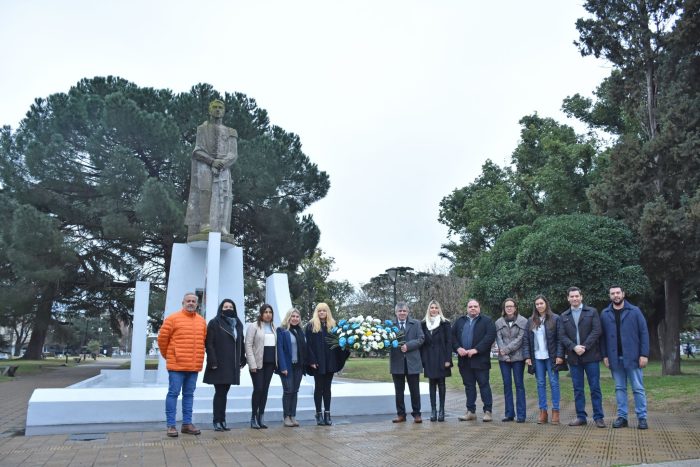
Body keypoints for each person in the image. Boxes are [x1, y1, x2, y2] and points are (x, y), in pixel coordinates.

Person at [185, 99, 239, 238]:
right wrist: (212, 161)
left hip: (223, 166)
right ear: (209, 110)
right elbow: (197, 151)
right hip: (205, 163)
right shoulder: (202, 129)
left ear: (224, 111)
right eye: (214, 107)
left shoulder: (231, 131)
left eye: (220, 107)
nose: (217, 109)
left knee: (225, 196)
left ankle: (222, 226)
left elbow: (233, 154)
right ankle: (204, 224)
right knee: (205, 191)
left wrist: (221, 164)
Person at [157, 292, 207, 437]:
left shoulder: (201, 321)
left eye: (193, 301)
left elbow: (204, 341)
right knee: (173, 393)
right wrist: (169, 356)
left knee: (189, 395)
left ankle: (187, 424)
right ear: (183, 303)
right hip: (176, 366)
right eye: (188, 301)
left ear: (197, 304)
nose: (191, 303)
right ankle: (171, 425)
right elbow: (162, 340)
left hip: (193, 366)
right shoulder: (172, 319)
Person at [600, 285, 650, 430]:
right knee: (619, 388)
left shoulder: (635, 311)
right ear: (609, 296)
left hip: (633, 357)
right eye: (612, 293)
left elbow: (644, 333)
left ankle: (642, 418)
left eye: (618, 293)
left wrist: (644, 354)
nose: (615, 295)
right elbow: (602, 338)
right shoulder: (605, 313)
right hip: (614, 358)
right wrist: (605, 355)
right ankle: (622, 417)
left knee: (638, 388)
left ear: (623, 294)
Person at [558, 286, 605, 428]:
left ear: (581, 297)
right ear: (568, 298)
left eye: (576, 296)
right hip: (574, 357)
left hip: (591, 356)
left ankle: (598, 417)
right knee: (578, 389)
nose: (574, 298)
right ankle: (581, 417)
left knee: (595, 387)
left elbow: (597, 330)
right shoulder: (563, 316)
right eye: (571, 296)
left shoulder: (592, 312)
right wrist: (574, 347)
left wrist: (584, 346)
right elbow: (562, 335)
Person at [203, 299, 246, 432]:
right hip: (219, 364)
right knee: (220, 393)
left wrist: (242, 357)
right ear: (221, 309)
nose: (228, 309)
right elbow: (209, 344)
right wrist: (212, 361)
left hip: (232, 364)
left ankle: (222, 420)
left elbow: (241, 341)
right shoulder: (214, 323)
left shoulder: (238, 323)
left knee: (224, 393)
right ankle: (217, 420)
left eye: (231, 307)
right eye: (225, 306)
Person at [452, 299, 496, 422]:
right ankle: (471, 412)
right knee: (469, 386)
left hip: (480, 360)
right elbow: (452, 336)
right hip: (464, 361)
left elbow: (490, 337)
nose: (473, 308)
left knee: (484, 385)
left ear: (479, 308)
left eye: (475, 306)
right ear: (467, 308)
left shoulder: (487, 321)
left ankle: (488, 411)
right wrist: (457, 348)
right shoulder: (460, 321)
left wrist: (476, 350)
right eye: (470, 306)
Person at [305, 302, 349, 426]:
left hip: (330, 361)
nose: (321, 312)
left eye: (324, 310)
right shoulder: (311, 326)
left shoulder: (334, 325)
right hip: (317, 362)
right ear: (317, 312)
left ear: (327, 312)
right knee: (319, 388)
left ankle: (327, 414)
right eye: (319, 310)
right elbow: (308, 345)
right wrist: (312, 360)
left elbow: (339, 343)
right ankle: (318, 414)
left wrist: (347, 347)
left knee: (327, 388)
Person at [523, 295, 562, 425]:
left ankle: (555, 411)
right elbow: (526, 340)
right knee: (540, 383)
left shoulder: (555, 318)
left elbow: (559, 339)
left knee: (554, 382)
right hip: (537, 357)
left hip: (551, 357)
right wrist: (527, 356)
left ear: (546, 304)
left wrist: (559, 355)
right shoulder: (531, 320)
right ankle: (543, 411)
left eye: (541, 303)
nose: (539, 306)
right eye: (537, 304)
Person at [390, 302, 425, 423]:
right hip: (397, 362)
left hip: (413, 362)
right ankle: (401, 414)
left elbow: (421, 339)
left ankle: (417, 414)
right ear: (396, 312)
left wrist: (408, 346)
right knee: (399, 391)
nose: (402, 313)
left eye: (404, 311)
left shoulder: (416, 323)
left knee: (415, 390)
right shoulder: (390, 325)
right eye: (400, 311)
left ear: (408, 312)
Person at [495, 298, 528, 423]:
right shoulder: (498, 322)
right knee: (507, 385)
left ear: (515, 307)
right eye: (507, 306)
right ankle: (509, 414)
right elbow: (499, 339)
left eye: (511, 306)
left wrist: (506, 350)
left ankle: (521, 415)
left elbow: (520, 339)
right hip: (503, 359)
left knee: (519, 385)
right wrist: (505, 356)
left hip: (518, 358)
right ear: (504, 308)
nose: (509, 308)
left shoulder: (523, 321)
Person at [245, 303, 276, 429]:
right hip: (257, 364)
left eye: (270, 312)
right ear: (261, 313)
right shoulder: (254, 326)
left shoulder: (274, 327)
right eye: (266, 312)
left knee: (265, 390)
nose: (268, 314)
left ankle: (261, 417)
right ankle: (253, 417)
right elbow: (248, 345)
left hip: (270, 364)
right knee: (258, 389)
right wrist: (251, 363)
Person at [420, 300, 452, 422]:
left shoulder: (445, 323)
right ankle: (433, 410)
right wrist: (423, 360)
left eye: (436, 308)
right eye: (431, 308)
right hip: (428, 357)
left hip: (441, 357)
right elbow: (422, 343)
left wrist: (448, 359)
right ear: (429, 309)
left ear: (439, 309)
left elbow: (449, 342)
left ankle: (442, 410)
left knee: (441, 383)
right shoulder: (423, 324)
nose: (434, 310)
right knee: (431, 383)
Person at [276, 308, 308, 427]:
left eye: (297, 317)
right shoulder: (282, 330)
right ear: (288, 317)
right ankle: (286, 417)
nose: (295, 318)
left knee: (295, 391)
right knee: (288, 391)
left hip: (298, 366)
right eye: (293, 316)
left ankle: (293, 416)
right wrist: (283, 367)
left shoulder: (300, 331)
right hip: (287, 366)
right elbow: (280, 349)